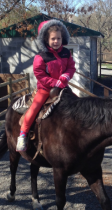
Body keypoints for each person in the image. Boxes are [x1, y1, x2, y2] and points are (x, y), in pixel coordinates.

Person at [16, 19, 76, 152]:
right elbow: (40, 75)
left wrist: (66, 76)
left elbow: (71, 67)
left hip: (63, 87)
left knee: (78, 103)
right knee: (34, 109)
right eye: (53, 38)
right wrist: (54, 82)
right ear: (46, 39)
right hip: (45, 89)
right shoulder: (41, 56)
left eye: (59, 38)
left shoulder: (66, 52)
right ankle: (23, 135)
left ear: (62, 38)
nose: (56, 41)